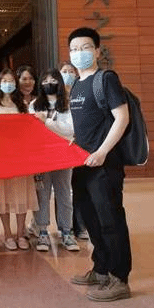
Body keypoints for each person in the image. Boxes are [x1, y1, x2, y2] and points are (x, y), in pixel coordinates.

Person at [67, 27, 131, 302]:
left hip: (104, 164)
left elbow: (122, 118)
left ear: (96, 51)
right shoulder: (76, 85)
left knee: (110, 220)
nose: (78, 53)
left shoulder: (106, 79)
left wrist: (103, 151)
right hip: (81, 162)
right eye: (74, 49)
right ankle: (101, 269)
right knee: (89, 218)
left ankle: (119, 278)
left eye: (84, 48)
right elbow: (84, 124)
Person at [29, 68, 80, 253]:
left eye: (52, 80)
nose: (48, 83)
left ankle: (66, 232)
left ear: (59, 82)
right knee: (42, 195)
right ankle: (42, 231)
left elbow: (70, 129)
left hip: (63, 156)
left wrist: (47, 122)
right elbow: (33, 132)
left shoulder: (68, 103)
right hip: (41, 157)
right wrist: (53, 127)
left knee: (64, 194)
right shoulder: (34, 105)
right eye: (45, 80)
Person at [0, 69, 37, 251]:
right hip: (0, 158)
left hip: (20, 157)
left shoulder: (22, 104)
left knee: (21, 196)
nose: (8, 84)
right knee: (4, 197)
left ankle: (20, 234)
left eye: (11, 81)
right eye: (4, 81)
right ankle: (8, 234)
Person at [59, 61, 89, 241]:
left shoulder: (81, 91)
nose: (68, 74)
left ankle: (80, 226)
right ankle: (65, 227)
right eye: (64, 71)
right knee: (63, 190)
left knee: (79, 188)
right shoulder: (57, 95)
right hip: (63, 147)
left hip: (81, 145)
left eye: (71, 71)